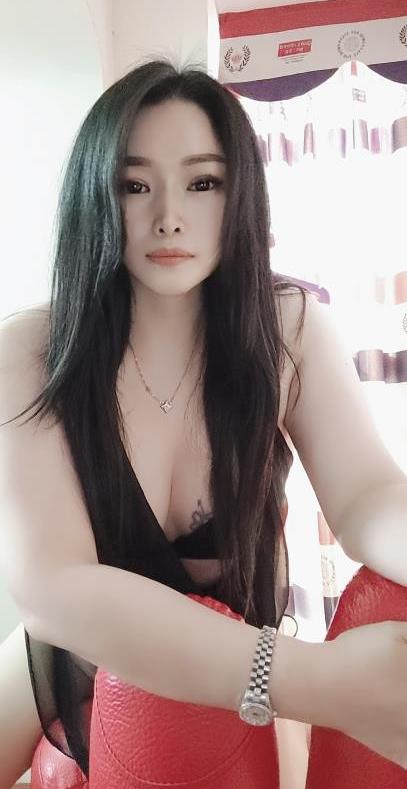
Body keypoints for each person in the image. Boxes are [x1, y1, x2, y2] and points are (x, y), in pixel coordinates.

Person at [0, 56, 407, 787]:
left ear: (239, 192)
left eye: (202, 182)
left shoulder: (287, 328)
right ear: (95, 195)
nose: (169, 216)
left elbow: (366, 495)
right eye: (134, 185)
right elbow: (51, 586)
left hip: (229, 672)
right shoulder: (30, 350)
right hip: (70, 662)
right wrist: (316, 679)